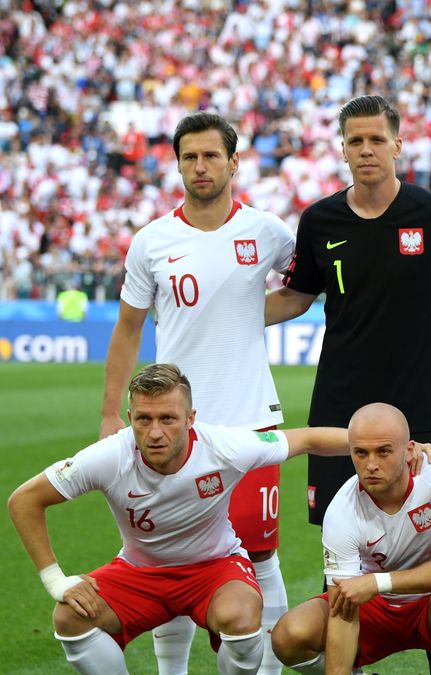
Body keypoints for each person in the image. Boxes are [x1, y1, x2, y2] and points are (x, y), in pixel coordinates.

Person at [267, 94, 431, 675]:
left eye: (376, 139)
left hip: (419, 404)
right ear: (342, 148)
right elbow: (293, 298)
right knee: (342, 551)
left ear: (397, 145)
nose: (366, 150)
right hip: (341, 407)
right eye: (355, 141)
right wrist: (218, 310)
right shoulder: (319, 220)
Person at [99, 111, 296, 675]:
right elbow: (129, 327)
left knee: (260, 553)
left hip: (252, 418)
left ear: (234, 162)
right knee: (172, 555)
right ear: (178, 163)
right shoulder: (153, 241)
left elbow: (301, 293)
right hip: (174, 428)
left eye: (212, 155)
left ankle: (267, 670)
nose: (201, 166)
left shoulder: (267, 231)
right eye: (190, 156)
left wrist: (245, 316)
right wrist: (111, 414)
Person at [7, 364, 352, 675]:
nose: (155, 432)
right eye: (144, 419)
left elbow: (307, 439)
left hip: (215, 567)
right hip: (140, 572)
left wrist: (393, 444)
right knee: (69, 617)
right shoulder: (108, 456)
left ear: (190, 419)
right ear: (130, 418)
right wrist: (56, 580)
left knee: (242, 617)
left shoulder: (224, 447)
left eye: (168, 419)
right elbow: (24, 500)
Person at [271, 403, 431, 675]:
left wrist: (376, 582)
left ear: (409, 450)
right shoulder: (340, 511)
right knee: (290, 634)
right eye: (360, 453)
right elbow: (342, 612)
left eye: (383, 451)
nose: (371, 464)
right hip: (377, 606)